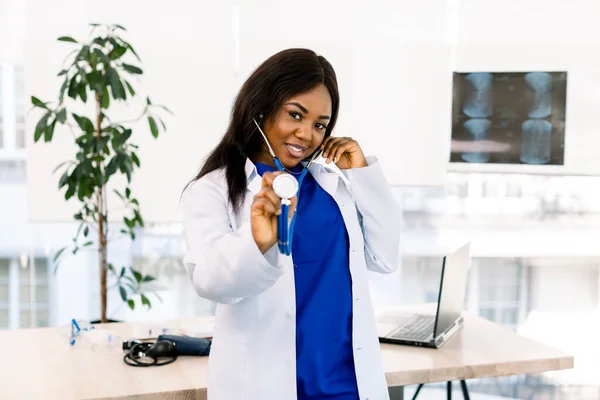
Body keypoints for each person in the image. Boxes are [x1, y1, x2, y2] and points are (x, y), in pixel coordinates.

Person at [181, 48, 402, 400]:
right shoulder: (213, 190)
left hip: (346, 384)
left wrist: (362, 174)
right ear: (260, 109)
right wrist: (256, 242)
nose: (306, 134)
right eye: (295, 114)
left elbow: (385, 258)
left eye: (319, 124)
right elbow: (210, 282)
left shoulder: (333, 187)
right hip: (265, 385)